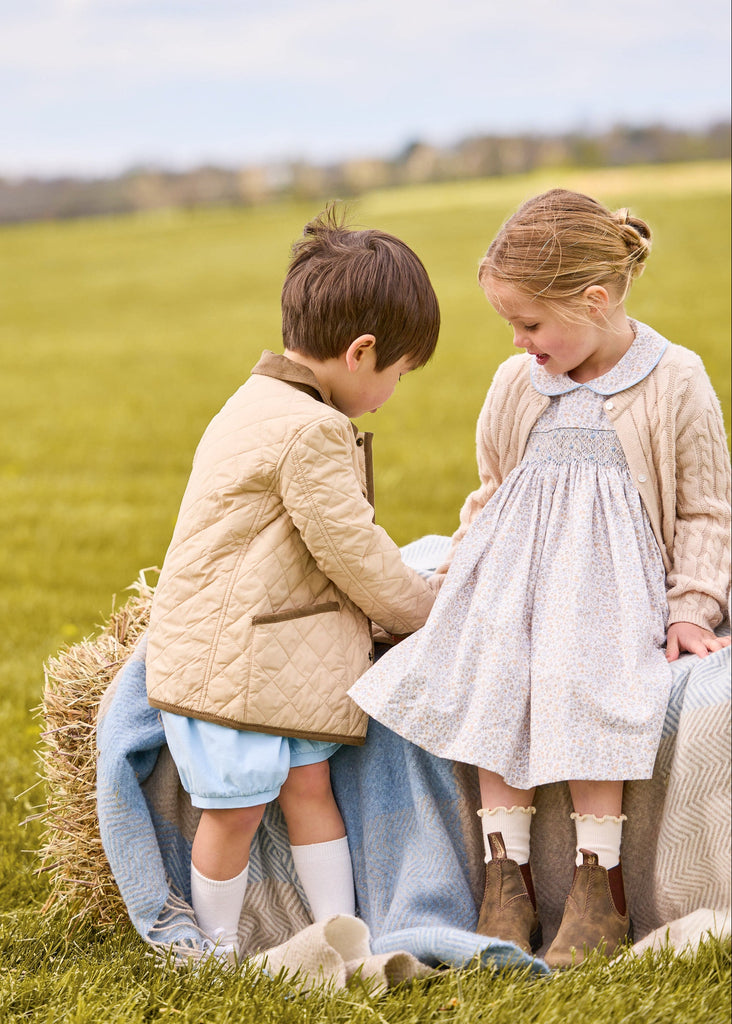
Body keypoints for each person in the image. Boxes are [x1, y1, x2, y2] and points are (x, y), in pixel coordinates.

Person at [349, 188, 731, 967]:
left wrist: (693, 605)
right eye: (509, 325)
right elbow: (490, 495)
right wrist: (456, 575)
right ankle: (506, 875)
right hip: (513, 581)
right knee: (491, 670)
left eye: (530, 323)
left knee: (588, 675)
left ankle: (600, 883)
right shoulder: (515, 386)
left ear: (595, 300)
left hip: (612, 591)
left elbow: (706, 509)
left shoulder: (673, 379)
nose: (519, 341)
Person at [144, 206, 440, 958]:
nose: (392, 393)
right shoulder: (311, 429)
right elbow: (356, 554)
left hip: (276, 656)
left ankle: (345, 937)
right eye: (398, 375)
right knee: (236, 808)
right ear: (362, 351)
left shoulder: (259, 400)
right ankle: (215, 949)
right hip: (233, 662)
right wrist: (427, 606)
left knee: (310, 789)